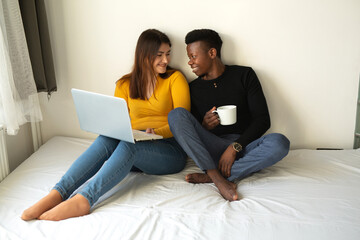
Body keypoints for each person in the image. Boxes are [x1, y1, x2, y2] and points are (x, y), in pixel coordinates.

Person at [21, 29, 190, 221]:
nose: (166, 60)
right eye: (159, 55)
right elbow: (118, 121)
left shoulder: (175, 79)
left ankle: (85, 199)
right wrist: (116, 129)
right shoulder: (124, 84)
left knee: (129, 146)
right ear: (144, 55)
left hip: (169, 149)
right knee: (108, 138)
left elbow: (183, 122)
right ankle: (58, 193)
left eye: (168, 54)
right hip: (136, 147)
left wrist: (155, 132)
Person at [168, 29, 290, 202]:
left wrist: (235, 147)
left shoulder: (244, 75)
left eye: (193, 56)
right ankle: (218, 178)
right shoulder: (193, 88)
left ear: (212, 53)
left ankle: (212, 177)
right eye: (189, 57)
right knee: (176, 115)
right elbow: (189, 132)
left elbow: (263, 120)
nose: (190, 62)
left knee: (280, 142)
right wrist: (204, 126)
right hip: (212, 149)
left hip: (244, 147)